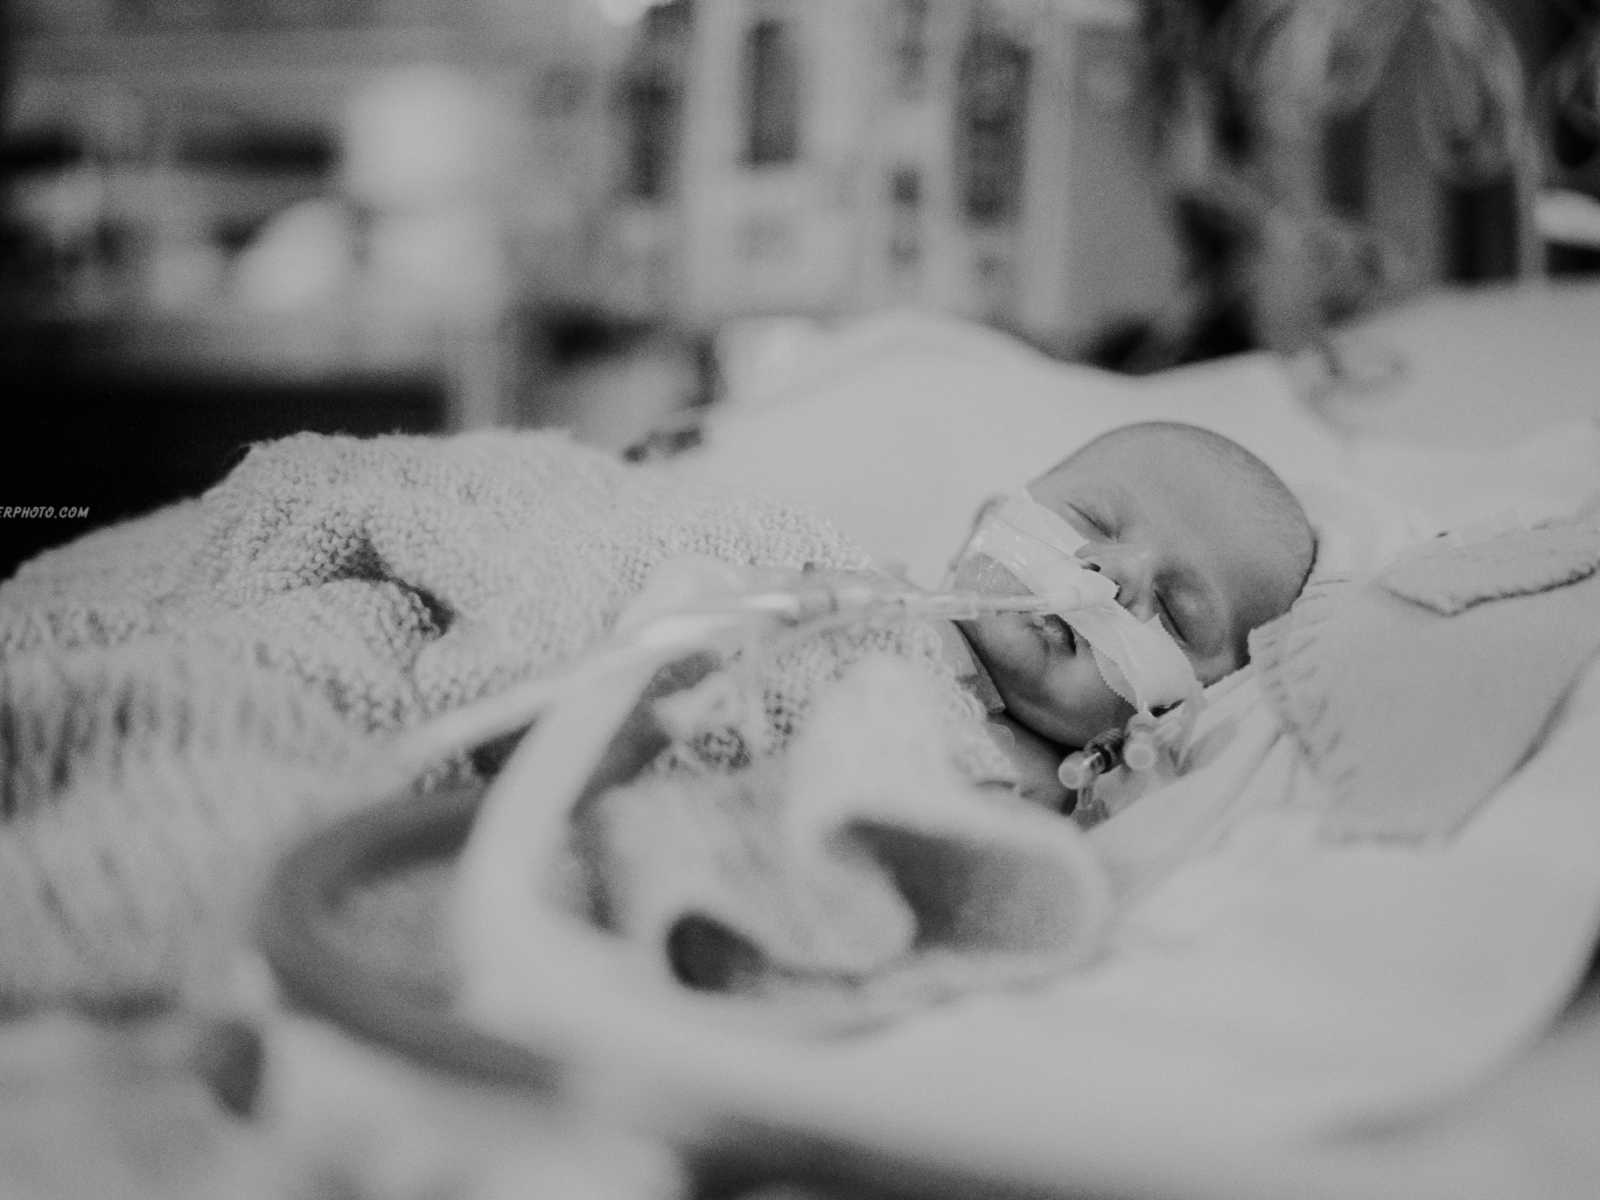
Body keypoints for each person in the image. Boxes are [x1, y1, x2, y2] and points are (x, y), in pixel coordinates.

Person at [943, 421, 1316, 811]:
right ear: (987, 520)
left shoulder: (1033, 801)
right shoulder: (884, 602)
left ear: (1173, 711)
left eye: (1174, 614)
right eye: (1093, 519)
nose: (1117, 575)